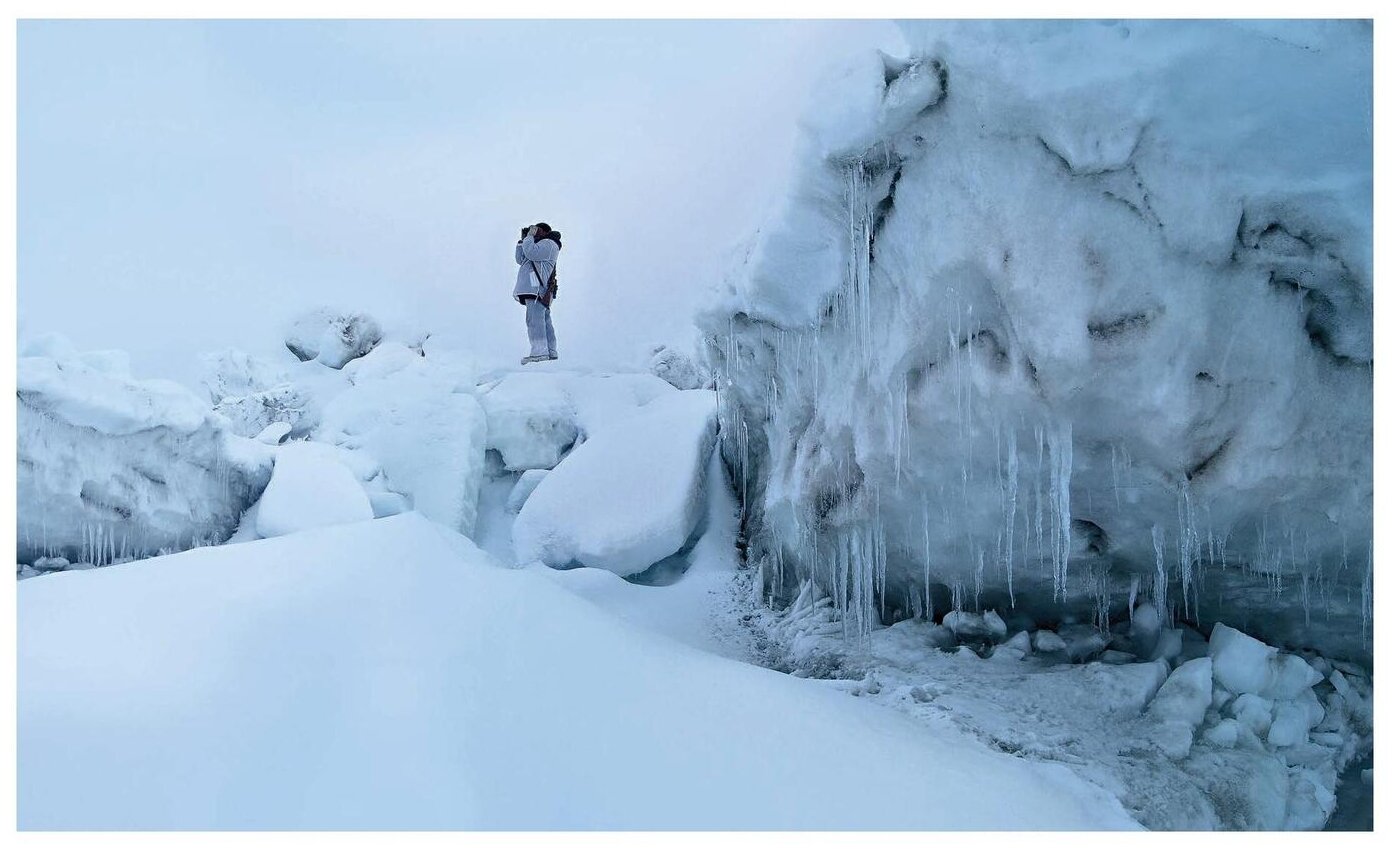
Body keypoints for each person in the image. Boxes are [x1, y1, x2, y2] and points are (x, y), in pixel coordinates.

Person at [513, 222, 562, 364]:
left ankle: (539, 352)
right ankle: (550, 351)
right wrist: (522, 240)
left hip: (536, 289)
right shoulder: (537, 245)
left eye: (537, 230)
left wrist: (529, 238)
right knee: (544, 321)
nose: (534, 232)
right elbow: (521, 259)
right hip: (534, 288)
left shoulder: (549, 244)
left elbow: (530, 253)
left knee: (534, 321)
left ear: (546, 232)